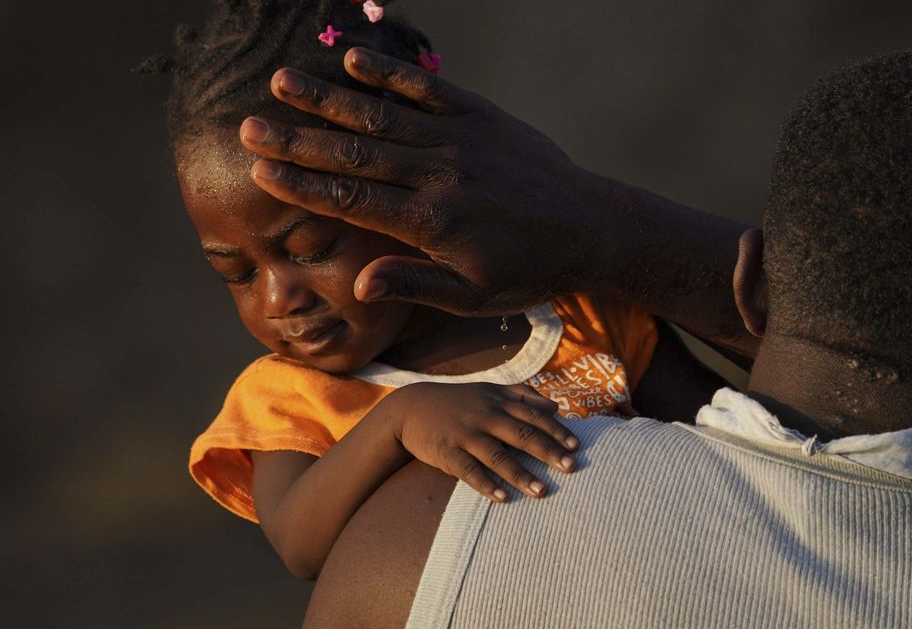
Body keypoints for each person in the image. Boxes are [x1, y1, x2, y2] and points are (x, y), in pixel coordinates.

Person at [135, 0, 727, 581]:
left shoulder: (583, 313)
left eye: (309, 249)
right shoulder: (293, 397)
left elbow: (734, 446)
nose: (279, 298)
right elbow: (301, 545)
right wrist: (397, 420)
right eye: (238, 275)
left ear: (403, 188)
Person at [290, 51, 912, 628]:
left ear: (747, 284)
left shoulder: (413, 542)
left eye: (315, 249)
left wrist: (604, 229)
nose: (279, 296)